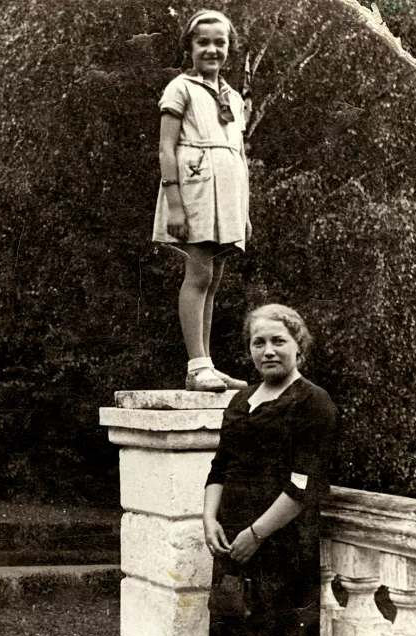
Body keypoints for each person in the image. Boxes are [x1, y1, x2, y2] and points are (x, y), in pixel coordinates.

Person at [201, 304, 338, 636]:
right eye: (259, 342)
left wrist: (256, 534)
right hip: (234, 552)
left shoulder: (313, 403)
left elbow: (303, 487)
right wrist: (209, 517)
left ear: (298, 344)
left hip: (282, 557)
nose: (268, 351)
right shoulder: (241, 401)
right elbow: (219, 467)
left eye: (278, 340)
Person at [152, 9, 251, 392]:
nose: (211, 50)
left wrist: (243, 211)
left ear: (230, 47)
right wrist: (174, 202)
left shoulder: (234, 97)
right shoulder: (180, 88)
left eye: (219, 43)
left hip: (226, 193)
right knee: (199, 274)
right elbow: (166, 147)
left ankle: (206, 363)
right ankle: (196, 366)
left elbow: (239, 153)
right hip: (194, 188)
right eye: (202, 42)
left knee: (214, 277)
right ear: (189, 47)